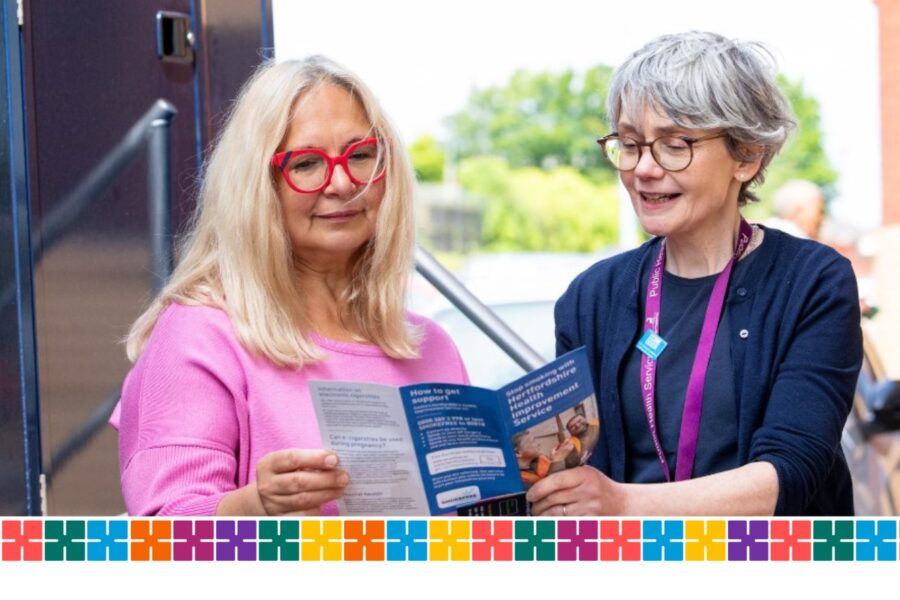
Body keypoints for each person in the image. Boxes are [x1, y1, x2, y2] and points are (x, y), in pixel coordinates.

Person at [110, 56, 469, 516]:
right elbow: (163, 534)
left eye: (361, 156)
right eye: (307, 163)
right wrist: (257, 505)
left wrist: (533, 503)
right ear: (255, 186)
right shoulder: (199, 335)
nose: (342, 183)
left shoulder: (432, 345)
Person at [529, 31, 862, 516]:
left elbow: (792, 470)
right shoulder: (593, 297)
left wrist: (622, 504)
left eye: (674, 145)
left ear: (746, 155)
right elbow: (578, 458)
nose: (644, 169)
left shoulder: (812, 282)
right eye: (630, 144)